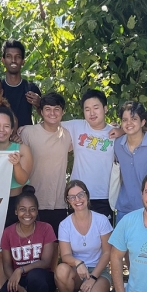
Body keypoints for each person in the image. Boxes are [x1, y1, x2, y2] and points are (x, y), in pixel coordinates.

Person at [0, 103, 33, 292]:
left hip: (18, 203)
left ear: (12, 128)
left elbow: (23, 179)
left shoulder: (22, 149)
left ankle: (26, 289)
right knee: (0, 251)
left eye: (6, 126)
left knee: (22, 249)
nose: (1, 130)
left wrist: (16, 164)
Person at [0, 186, 57, 292]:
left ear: (37, 210)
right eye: (22, 209)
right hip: (18, 279)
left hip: (41, 278)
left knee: (35, 276)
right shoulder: (8, 233)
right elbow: (6, 264)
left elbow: (46, 262)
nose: (27, 213)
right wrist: (18, 287)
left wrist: (21, 269)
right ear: (16, 211)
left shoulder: (46, 228)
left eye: (32, 209)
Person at [55, 180, 113, 292]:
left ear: (87, 195)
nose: (77, 200)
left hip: (98, 271)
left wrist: (93, 277)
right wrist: (78, 262)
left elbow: (107, 253)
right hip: (77, 271)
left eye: (80, 195)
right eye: (72, 197)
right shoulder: (65, 225)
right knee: (61, 269)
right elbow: (65, 255)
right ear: (68, 201)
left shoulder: (101, 220)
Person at [20, 91, 72, 242]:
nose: (52, 113)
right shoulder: (28, 132)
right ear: (41, 112)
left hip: (58, 202)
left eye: (57, 109)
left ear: (62, 112)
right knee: (33, 246)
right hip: (34, 200)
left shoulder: (67, 135)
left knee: (55, 245)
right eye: (48, 109)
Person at [61, 90, 116, 223]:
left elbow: (139, 130)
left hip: (104, 196)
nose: (92, 113)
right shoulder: (76, 126)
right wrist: (24, 130)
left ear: (105, 109)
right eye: (87, 109)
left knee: (104, 241)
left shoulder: (115, 133)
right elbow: (49, 125)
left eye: (96, 108)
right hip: (77, 196)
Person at [112, 100, 147, 221]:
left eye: (134, 119)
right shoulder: (117, 144)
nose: (129, 123)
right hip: (123, 209)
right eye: (124, 120)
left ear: (143, 122)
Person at [0, 39, 41, 127]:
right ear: (3, 60)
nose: (13, 60)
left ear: (23, 61)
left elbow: (45, 115)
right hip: (2, 136)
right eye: (9, 56)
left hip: (25, 138)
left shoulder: (31, 88)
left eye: (18, 57)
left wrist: (39, 103)